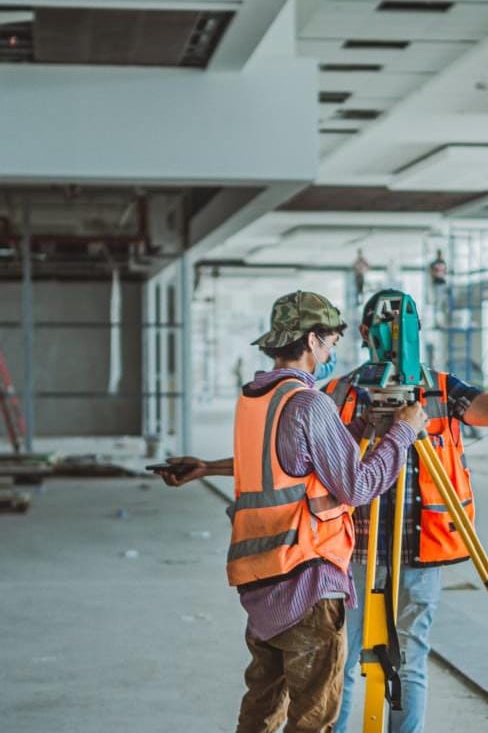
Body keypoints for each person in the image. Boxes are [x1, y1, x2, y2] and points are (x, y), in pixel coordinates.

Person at [161, 290, 427, 733]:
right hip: (307, 579)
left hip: (261, 578)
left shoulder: (255, 399)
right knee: (313, 718)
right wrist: (402, 433)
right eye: (329, 343)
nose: (330, 354)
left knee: (261, 710)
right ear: (311, 341)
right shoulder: (309, 403)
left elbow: (283, 463)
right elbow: (358, 486)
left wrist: (359, 428)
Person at [324, 289, 488, 733]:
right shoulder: (341, 392)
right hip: (354, 551)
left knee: (411, 656)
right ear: (366, 332)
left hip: (423, 551)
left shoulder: (442, 389)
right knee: (346, 657)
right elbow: (301, 458)